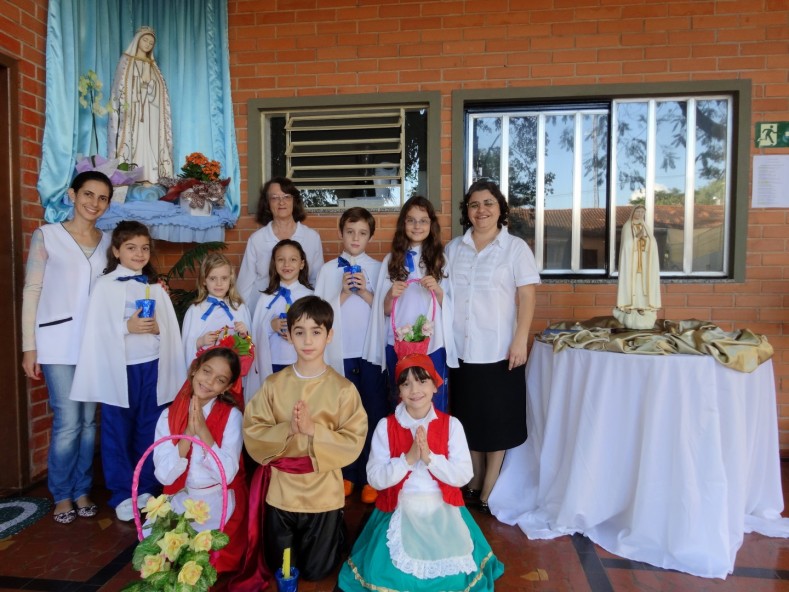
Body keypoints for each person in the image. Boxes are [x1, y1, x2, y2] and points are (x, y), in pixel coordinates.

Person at [337, 353, 504, 592]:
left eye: (422, 381)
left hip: (441, 505)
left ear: (436, 385)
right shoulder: (386, 426)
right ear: (399, 391)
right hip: (400, 505)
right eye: (406, 383)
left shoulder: (452, 425)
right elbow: (375, 477)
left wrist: (430, 459)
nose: (415, 389)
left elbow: (463, 474)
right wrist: (408, 459)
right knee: (390, 576)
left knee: (455, 577)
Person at [233, 295, 367, 589]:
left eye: (316, 331)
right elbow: (253, 429)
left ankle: (337, 529)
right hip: (281, 489)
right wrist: (288, 430)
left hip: (322, 489)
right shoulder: (273, 385)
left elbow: (354, 438)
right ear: (289, 334)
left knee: (317, 571)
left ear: (329, 336)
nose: (308, 340)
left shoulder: (343, 390)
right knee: (281, 567)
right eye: (300, 331)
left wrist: (313, 430)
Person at [70, 221, 185, 522]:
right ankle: (122, 492)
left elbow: (169, 331)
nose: (139, 253)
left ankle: (145, 488)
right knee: (116, 431)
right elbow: (96, 331)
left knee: (149, 428)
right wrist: (127, 327)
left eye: (144, 248)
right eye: (131, 247)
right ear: (117, 250)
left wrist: (159, 327)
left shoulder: (154, 287)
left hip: (152, 367)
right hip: (118, 371)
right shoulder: (105, 286)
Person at [21, 171, 113, 524]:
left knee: (90, 422)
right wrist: (30, 348)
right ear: (73, 195)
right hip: (57, 343)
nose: (94, 203)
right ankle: (61, 493)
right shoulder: (47, 236)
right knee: (68, 421)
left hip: (94, 345)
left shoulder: (108, 243)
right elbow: (32, 290)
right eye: (88, 194)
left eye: (102, 198)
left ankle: (82, 489)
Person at [445, 180, 539, 513]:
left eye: (488, 203)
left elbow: (527, 295)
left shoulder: (514, 248)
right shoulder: (453, 249)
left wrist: (520, 339)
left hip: (500, 350)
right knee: (469, 418)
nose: (481, 210)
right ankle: (473, 478)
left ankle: (489, 487)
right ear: (466, 211)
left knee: (498, 421)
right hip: (461, 349)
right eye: (474, 204)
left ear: (500, 209)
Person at [152, 347, 248, 574]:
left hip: (218, 503)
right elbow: (164, 475)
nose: (209, 381)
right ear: (195, 369)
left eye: (220, 380)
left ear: (226, 387)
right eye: (206, 371)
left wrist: (204, 431)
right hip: (181, 500)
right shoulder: (169, 415)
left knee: (204, 571)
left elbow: (227, 474)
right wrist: (188, 433)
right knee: (166, 567)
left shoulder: (232, 417)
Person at [314, 207, 387, 504]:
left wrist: (366, 293)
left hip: (369, 354)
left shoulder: (379, 268)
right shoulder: (328, 270)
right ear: (340, 233)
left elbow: (386, 311)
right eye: (350, 232)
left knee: (372, 414)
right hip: (340, 355)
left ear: (370, 236)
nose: (355, 238)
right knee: (341, 417)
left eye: (362, 233)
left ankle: (370, 476)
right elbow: (319, 314)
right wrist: (343, 293)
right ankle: (345, 473)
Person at [364, 195, 456, 413]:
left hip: (432, 344)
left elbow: (451, 307)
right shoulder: (391, 260)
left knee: (433, 400)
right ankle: (402, 445)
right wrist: (390, 296)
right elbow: (383, 311)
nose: (417, 226)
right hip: (398, 343)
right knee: (401, 398)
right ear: (403, 223)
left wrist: (438, 290)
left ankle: (432, 445)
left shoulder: (440, 260)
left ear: (431, 224)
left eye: (423, 220)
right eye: (411, 220)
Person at [237, 177, 324, 312]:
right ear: (267, 203)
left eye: (286, 197)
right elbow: (244, 284)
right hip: (262, 310)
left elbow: (317, 280)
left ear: (294, 201)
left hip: (301, 312)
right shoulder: (257, 240)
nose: (281, 202)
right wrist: (243, 319)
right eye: (275, 197)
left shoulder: (312, 238)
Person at [246, 239, 315, 400]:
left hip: (300, 361)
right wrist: (271, 325)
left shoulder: (310, 296)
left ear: (302, 264)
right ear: (274, 264)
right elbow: (255, 332)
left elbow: (317, 329)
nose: (287, 264)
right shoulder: (265, 298)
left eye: (293, 259)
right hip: (273, 362)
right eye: (281, 259)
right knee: (275, 402)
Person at [107, 26, 174, 183]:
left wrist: (150, 83)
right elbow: (120, 88)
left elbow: (160, 93)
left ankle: (151, 174)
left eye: (151, 42)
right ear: (137, 40)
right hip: (132, 112)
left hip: (150, 113)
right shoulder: (126, 62)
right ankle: (130, 173)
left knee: (149, 140)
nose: (148, 44)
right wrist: (137, 86)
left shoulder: (153, 67)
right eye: (145, 40)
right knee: (133, 140)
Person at [181, 253, 251, 371]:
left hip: (232, 370)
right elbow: (186, 346)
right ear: (204, 280)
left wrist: (244, 333)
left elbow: (248, 345)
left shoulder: (239, 307)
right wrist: (201, 341)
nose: (219, 283)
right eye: (213, 278)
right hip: (205, 369)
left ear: (231, 279)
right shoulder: (195, 310)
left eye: (224, 278)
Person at [613, 204, 661, 330]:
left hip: (644, 262)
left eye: (642, 212)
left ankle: (642, 306)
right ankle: (629, 306)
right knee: (632, 284)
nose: (640, 214)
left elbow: (653, 242)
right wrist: (636, 238)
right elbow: (626, 245)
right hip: (632, 263)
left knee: (642, 285)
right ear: (633, 212)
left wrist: (646, 240)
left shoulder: (645, 226)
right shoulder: (627, 226)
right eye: (638, 212)